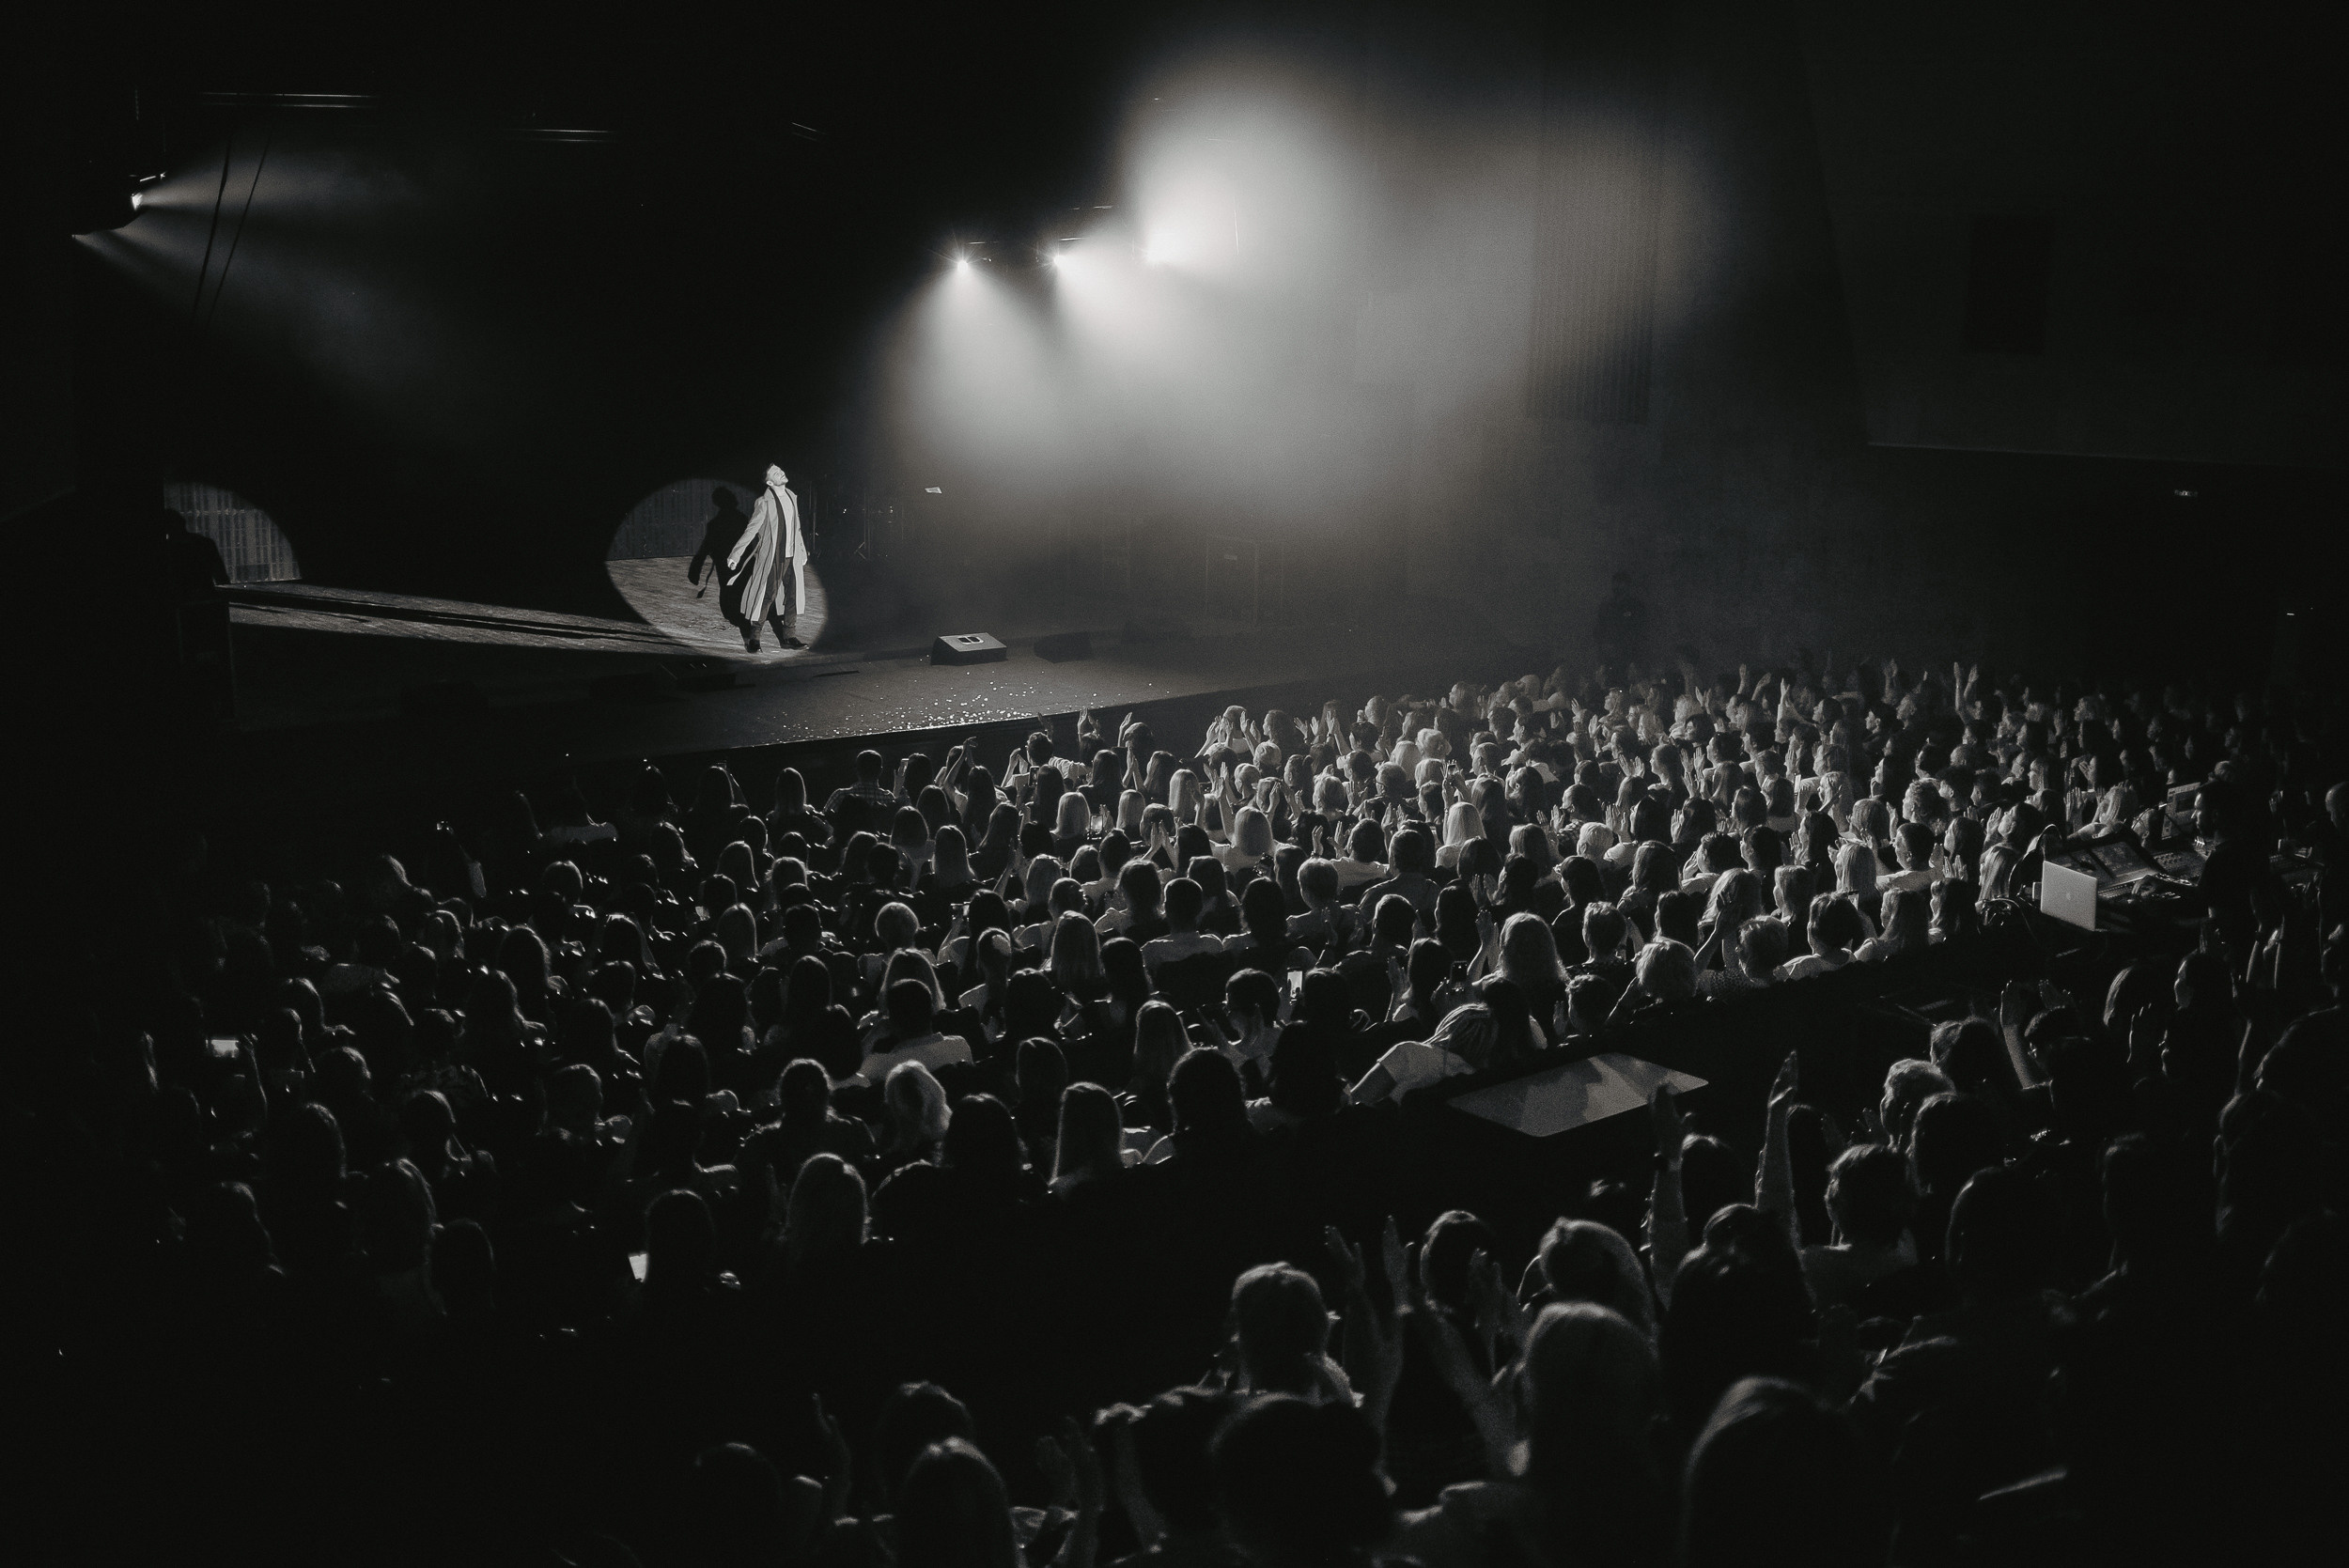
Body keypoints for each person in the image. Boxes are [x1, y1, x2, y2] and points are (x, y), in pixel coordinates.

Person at [722, 463, 811, 653]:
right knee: (766, 596)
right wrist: (735, 554)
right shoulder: (764, 502)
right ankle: (755, 637)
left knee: (793, 597)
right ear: (770, 482)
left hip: (792, 556)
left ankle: (789, 636)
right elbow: (751, 529)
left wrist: (802, 550)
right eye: (776, 473)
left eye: (781, 470)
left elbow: (797, 528)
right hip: (774, 557)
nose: (782, 472)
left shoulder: (791, 496)